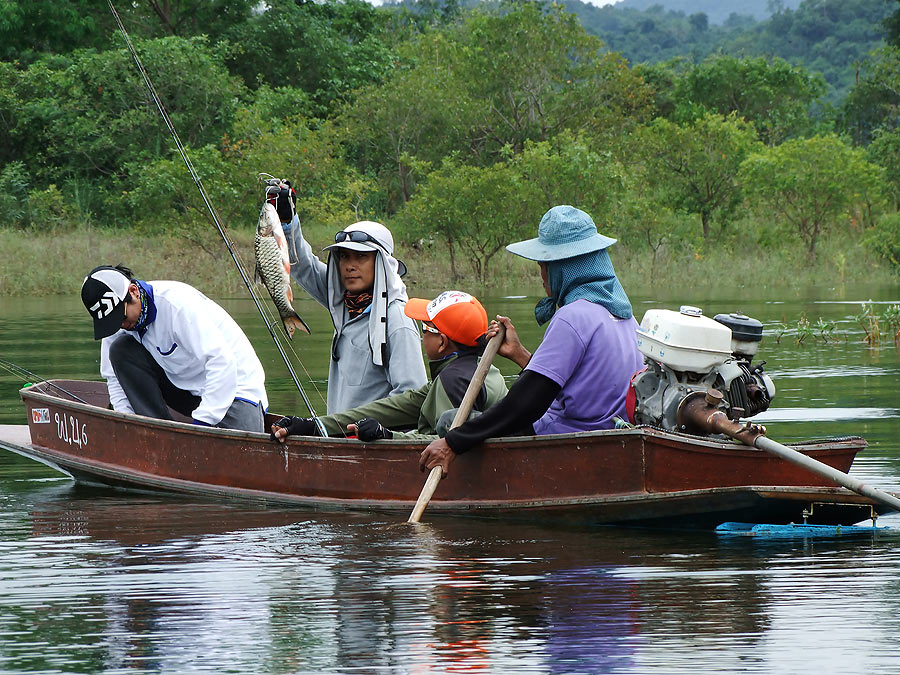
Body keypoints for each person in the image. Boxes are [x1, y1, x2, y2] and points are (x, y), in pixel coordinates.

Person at [418, 205, 645, 476]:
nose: (541, 276)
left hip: (569, 437)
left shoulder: (572, 317)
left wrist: (453, 442)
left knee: (448, 421)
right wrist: (519, 353)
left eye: (542, 266)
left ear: (562, 269)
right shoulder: (624, 314)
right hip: (613, 433)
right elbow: (576, 387)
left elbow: (526, 404)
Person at [268, 182, 427, 414]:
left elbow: (413, 397)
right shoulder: (343, 301)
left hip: (372, 443)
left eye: (360, 257)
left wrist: (368, 428)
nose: (350, 266)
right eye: (344, 256)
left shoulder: (397, 320)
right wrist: (287, 221)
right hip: (340, 437)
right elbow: (302, 266)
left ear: (382, 263)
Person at [271, 291, 508, 441]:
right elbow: (398, 406)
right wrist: (316, 425)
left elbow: (440, 445)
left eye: (425, 328)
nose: (421, 335)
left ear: (442, 342)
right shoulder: (484, 368)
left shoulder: (451, 381)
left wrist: (387, 436)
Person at [80, 265, 268, 432]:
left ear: (133, 291)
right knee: (120, 350)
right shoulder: (116, 324)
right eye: (112, 322)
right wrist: (126, 421)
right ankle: (155, 432)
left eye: (121, 317)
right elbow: (113, 378)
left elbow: (222, 363)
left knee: (244, 448)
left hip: (237, 389)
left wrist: (201, 425)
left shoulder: (177, 305)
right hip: (185, 390)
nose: (120, 325)